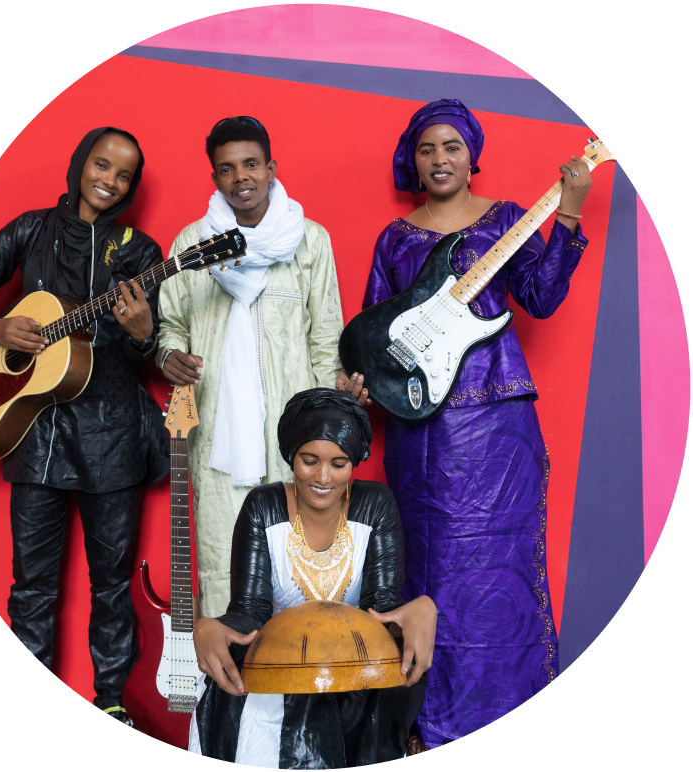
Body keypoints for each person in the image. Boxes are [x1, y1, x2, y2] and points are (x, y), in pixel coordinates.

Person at [361, 99, 591, 747]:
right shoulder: (395, 239)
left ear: (471, 154)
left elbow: (542, 297)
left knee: (502, 560)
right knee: (430, 568)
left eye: (452, 147)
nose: (440, 159)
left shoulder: (508, 220)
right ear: (414, 157)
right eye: (428, 148)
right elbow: (375, 331)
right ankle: (427, 724)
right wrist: (360, 376)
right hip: (421, 427)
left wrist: (569, 208)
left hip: (498, 422)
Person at [0, 127, 169, 723]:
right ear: (79, 163)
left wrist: (145, 333)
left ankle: (114, 703)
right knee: (32, 584)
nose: (110, 181)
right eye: (102, 164)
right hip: (33, 427)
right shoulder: (30, 228)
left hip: (113, 429)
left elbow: (154, 348)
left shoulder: (142, 251)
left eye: (124, 175)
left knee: (112, 584)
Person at [158, 116, 354, 619]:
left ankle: (296, 681)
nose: (240, 177)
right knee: (223, 548)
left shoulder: (309, 240)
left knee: (301, 552)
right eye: (226, 169)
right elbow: (170, 326)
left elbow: (325, 337)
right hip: (217, 430)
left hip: (295, 432)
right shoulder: (190, 245)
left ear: (270, 168)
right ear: (215, 179)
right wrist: (169, 356)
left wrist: (326, 423)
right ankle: (229, 687)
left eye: (250, 164)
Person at [189, 388, 437, 765]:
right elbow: (250, 611)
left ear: (354, 462)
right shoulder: (262, 505)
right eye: (309, 460)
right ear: (292, 455)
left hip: (354, 674)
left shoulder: (375, 504)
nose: (323, 477)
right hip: (278, 668)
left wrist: (423, 606)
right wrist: (212, 626)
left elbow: (381, 605)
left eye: (339, 464)